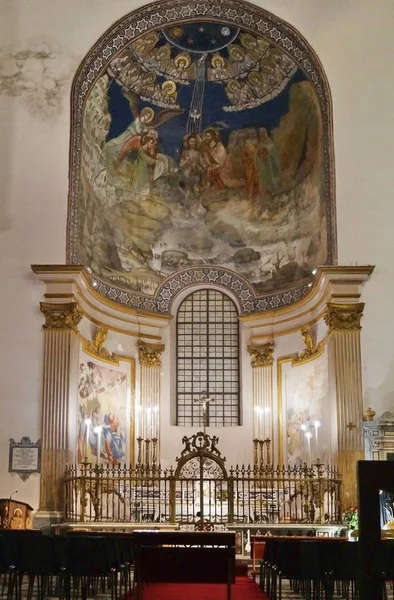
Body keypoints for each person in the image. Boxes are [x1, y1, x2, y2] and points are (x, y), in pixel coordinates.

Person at [254, 127, 280, 201]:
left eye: (263, 132)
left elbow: (273, 152)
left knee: (271, 179)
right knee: (263, 180)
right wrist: (260, 154)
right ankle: (265, 194)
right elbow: (256, 154)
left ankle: (273, 193)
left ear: (266, 133)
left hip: (270, 165)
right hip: (262, 166)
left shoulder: (270, 142)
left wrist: (267, 153)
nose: (261, 134)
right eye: (260, 133)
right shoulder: (260, 143)